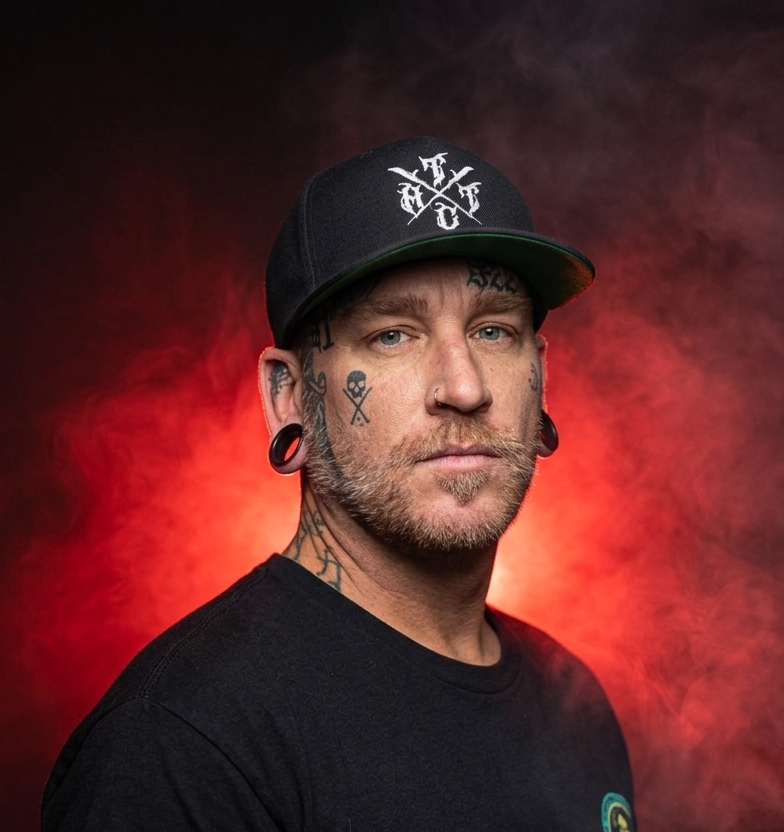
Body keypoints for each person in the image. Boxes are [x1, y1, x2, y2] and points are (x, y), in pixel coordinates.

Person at [42, 137, 636, 831]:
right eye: (392, 335)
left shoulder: (575, 706)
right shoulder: (180, 745)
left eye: (493, 332)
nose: (464, 387)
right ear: (288, 396)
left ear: (539, 375)